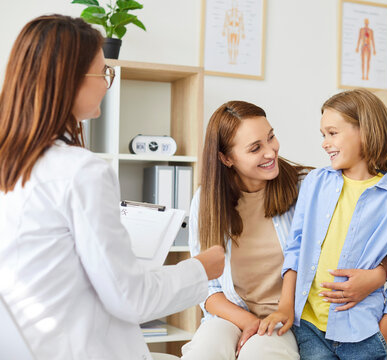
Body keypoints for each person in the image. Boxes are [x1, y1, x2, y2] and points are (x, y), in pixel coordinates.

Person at [0, 15, 224, 360]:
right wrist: (202, 268)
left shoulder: (12, 166)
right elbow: (131, 297)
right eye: (103, 72)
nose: (107, 83)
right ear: (70, 80)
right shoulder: (80, 171)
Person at [181, 101, 387, 360]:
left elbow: (370, 244)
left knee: (259, 355)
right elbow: (207, 288)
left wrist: (378, 274)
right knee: (203, 353)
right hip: (230, 315)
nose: (271, 152)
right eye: (255, 148)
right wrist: (249, 322)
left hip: (287, 318)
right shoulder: (206, 201)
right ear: (226, 158)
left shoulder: (309, 186)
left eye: (271, 137)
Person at [260, 89, 387, 360]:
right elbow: (296, 248)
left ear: (366, 132)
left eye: (332, 133)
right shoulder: (315, 183)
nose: (324, 143)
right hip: (309, 327)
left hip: (363, 334)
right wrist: (287, 305)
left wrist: (386, 330)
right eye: (323, 135)